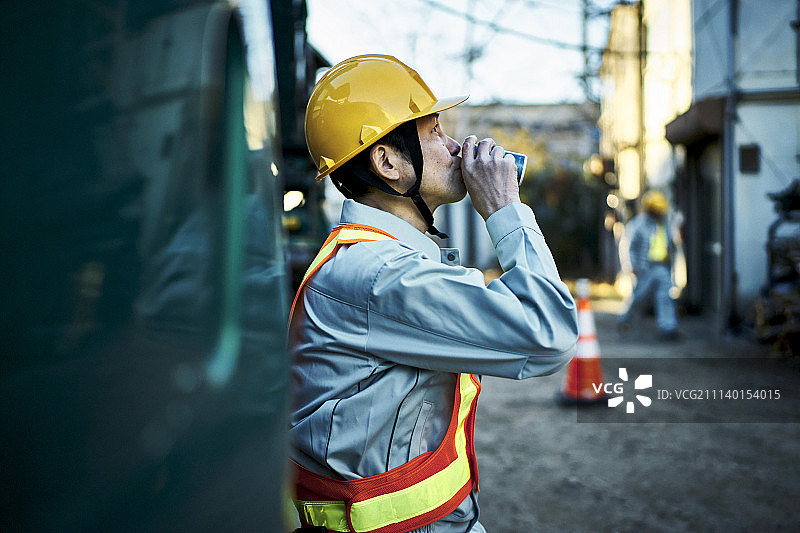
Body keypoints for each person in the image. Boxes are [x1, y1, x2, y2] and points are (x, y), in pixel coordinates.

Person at [288, 54, 578, 533]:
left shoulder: (385, 262)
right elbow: (549, 331)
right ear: (388, 162)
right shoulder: (378, 274)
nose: (454, 146)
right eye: (435, 131)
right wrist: (506, 210)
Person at [618, 190, 680, 340]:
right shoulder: (638, 225)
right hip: (644, 268)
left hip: (662, 266)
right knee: (637, 298)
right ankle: (625, 320)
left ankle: (668, 328)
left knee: (665, 297)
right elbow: (627, 246)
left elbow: (671, 243)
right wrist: (630, 265)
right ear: (650, 210)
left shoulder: (665, 223)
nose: (660, 213)